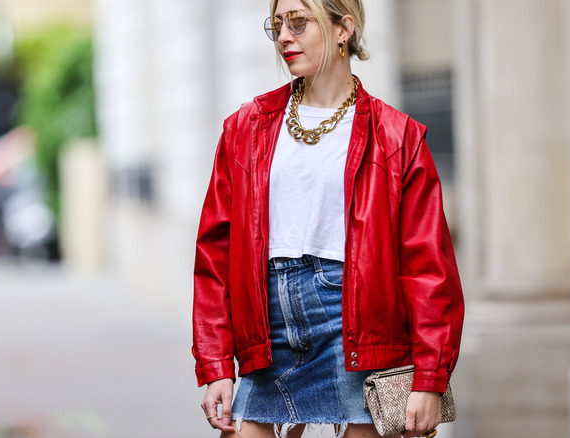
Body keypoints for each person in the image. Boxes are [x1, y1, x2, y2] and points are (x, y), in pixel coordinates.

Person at [192, 0, 464, 437]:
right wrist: (217, 364)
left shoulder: (397, 137)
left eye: (298, 22)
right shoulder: (245, 128)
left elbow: (428, 267)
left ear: (344, 29)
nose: (284, 36)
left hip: (354, 325)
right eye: (277, 24)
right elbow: (215, 257)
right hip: (268, 325)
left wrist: (430, 378)